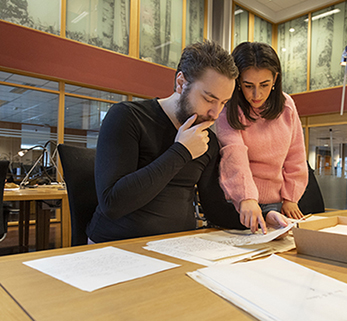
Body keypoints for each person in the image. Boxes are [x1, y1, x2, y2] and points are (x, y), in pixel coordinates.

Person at [87, 41, 289, 243]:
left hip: (177, 247)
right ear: (181, 83)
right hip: (115, 245)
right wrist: (181, 151)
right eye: (209, 99)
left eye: (223, 103)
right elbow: (112, 204)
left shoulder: (207, 142)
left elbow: (214, 210)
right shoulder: (128, 118)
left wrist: (262, 219)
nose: (215, 113)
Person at [216, 42, 308, 234]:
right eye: (248, 85)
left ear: (275, 78)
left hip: (276, 204)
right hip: (237, 203)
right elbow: (234, 153)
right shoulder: (230, 108)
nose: (256, 94)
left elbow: (296, 155)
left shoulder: (286, 106)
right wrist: (247, 197)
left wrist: (291, 198)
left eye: (264, 85)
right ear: (238, 81)